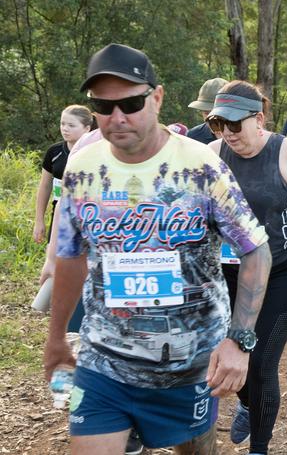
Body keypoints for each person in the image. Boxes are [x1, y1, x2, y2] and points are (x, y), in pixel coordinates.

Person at [43, 43, 273, 455]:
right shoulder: (82, 167)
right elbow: (71, 255)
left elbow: (256, 249)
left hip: (188, 365)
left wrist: (239, 341)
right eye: (102, 105)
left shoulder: (201, 166)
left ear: (157, 97)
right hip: (104, 361)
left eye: (131, 103)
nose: (117, 118)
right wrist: (57, 335)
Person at [206, 81, 287, 455]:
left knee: (259, 361)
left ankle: (259, 448)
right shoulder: (213, 156)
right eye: (218, 125)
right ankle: (248, 403)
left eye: (234, 125)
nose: (227, 134)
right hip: (228, 276)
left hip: (281, 274)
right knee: (226, 355)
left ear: (258, 118)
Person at [33, 105, 93, 244]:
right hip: (60, 215)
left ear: (87, 128)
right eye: (62, 123)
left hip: (89, 216)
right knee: (55, 261)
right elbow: (45, 186)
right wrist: (39, 220)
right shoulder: (54, 152)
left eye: (71, 125)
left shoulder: (96, 153)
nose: (65, 128)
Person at [186, 77, 228, 144]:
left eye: (218, 113)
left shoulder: (244, 134)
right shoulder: (193, 137)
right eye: (206, 113)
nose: (212, 119)